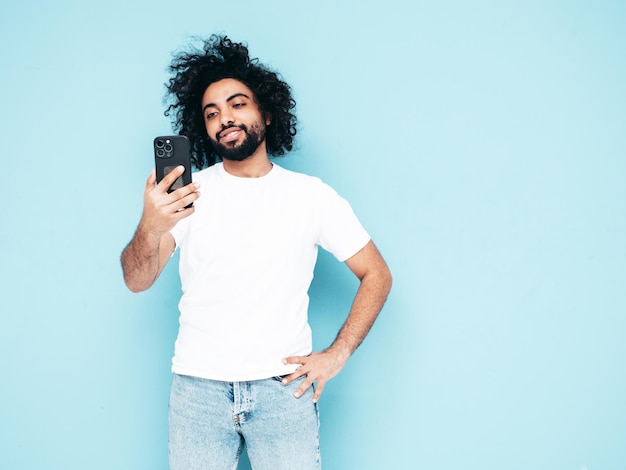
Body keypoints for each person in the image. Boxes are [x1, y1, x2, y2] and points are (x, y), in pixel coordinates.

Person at [121, 35, 392, 470]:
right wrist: (151, 226)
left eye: (237, 104)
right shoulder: (190, 195)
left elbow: (377, 274)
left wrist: (336, 354)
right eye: (212, 113)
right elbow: (137, 280)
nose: (224, 118)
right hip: (198, 392)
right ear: (204, 128)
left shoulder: (311, 196)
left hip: (283, 391)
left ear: (266, 112)